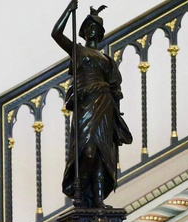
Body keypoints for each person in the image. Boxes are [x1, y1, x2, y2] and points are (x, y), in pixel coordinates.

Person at [52, 1, 132, 208]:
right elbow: (56, 34)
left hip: (104, 104)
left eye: (95, 26)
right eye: (88, 26)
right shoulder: (78, 50)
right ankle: (78, 191)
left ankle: (98, 198)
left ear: (101, 32)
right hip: (85, 104)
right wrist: (69, 10)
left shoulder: (107, 59)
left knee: (101, 154)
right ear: (84, 31)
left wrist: (116, 96)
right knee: (87, 150)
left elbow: (115, 85)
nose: (91, 29)